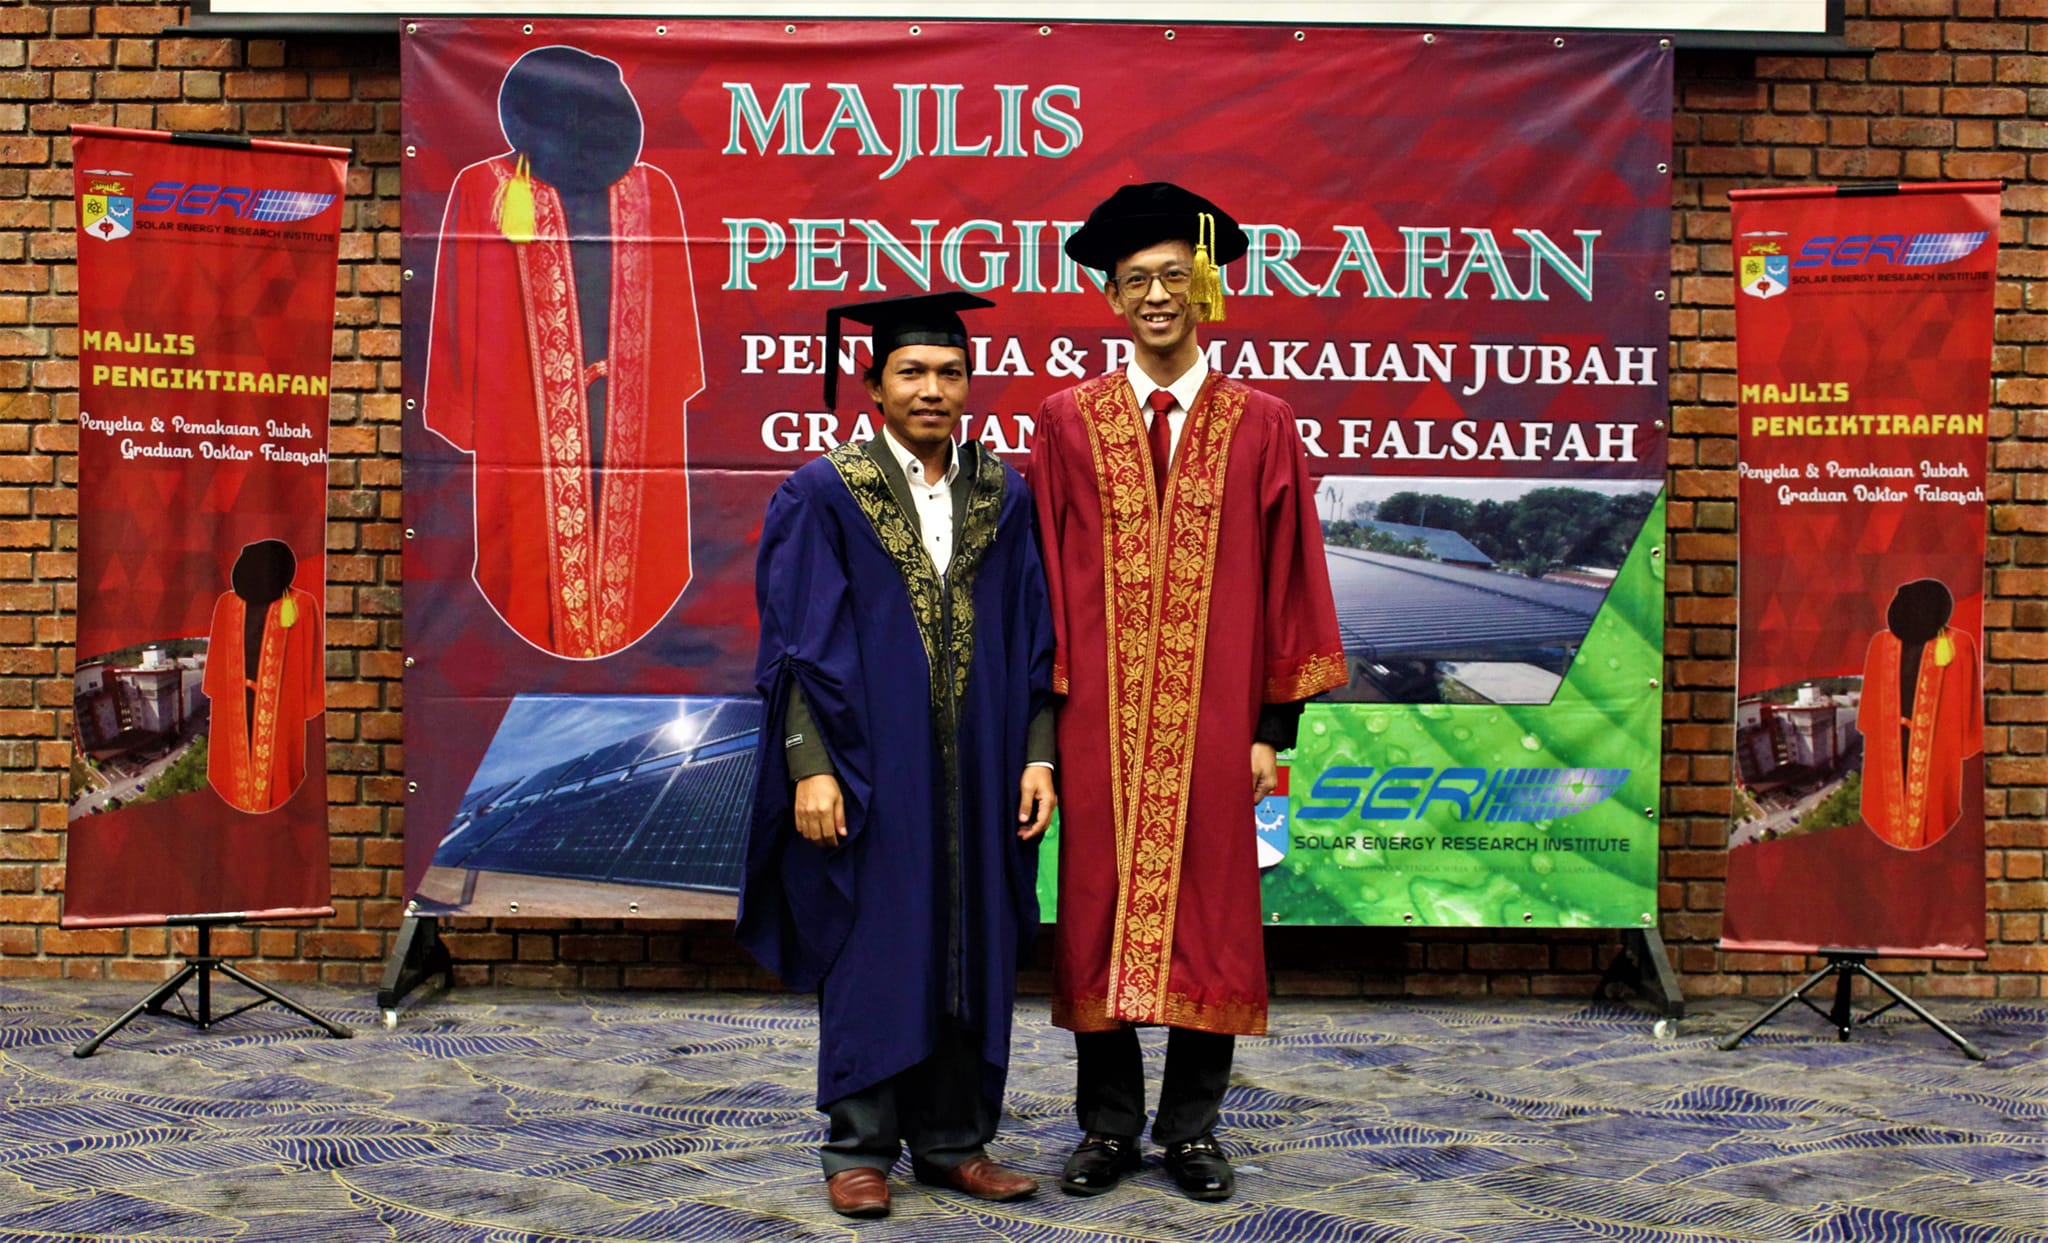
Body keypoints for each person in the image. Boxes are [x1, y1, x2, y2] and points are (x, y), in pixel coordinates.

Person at [1028, 182, 1346, 1202]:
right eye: (1136, 281)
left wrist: (1271, 729)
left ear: (1204, 286)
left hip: (1219, 725)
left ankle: (1193, 1129)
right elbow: (1042, 576)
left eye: (1173, 275)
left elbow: (1291, 578)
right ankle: (1108, 1125)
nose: (1156, 295)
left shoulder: (1263, 425)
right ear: (1111, 297)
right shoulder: (1066, 422)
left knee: (1214, 911)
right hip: (1098, 722)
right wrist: (1045, 723)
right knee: (1095, 910)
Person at [739, 291, 1058, 1219]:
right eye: (911, 372)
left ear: (970, 385)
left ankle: (956, 1141)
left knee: (970, 945)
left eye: (950, 373)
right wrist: (810, 765)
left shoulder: (1003, 495)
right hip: (870, 767)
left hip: (984, 768)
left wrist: (1038, 756)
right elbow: (795, 642)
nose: (932, 389)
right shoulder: (824, 492)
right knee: (877, 943)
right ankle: (860, 1145)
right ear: (873, 385)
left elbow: (1035, 636)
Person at [424, 45, 704, 659]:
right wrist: (471, 409)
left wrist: (653, 389)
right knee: (531, 542)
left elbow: (675, 325)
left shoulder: (651, 190)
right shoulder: (488, 188)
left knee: (634, 541)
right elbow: (457, 317)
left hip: (628, 419)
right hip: (525, 421)